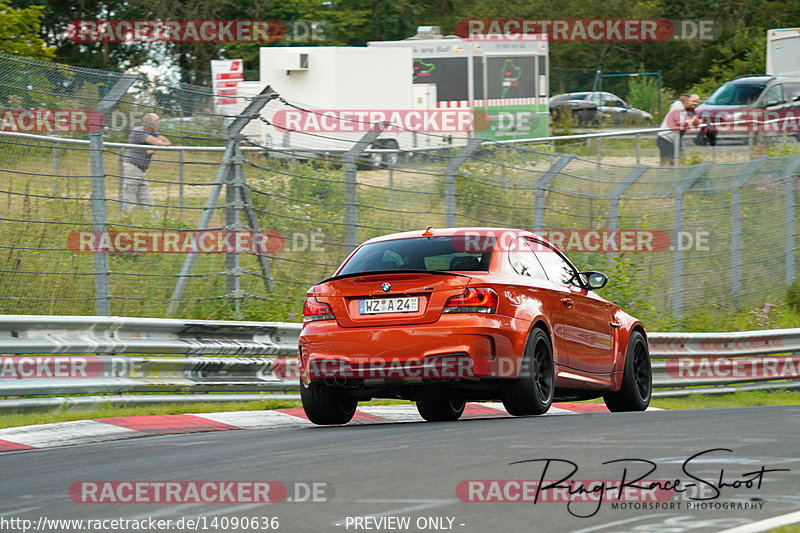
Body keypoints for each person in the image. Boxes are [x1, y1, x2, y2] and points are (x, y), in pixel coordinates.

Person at [121, 113, 171, 214]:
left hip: (141, 171)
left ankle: (153, 224)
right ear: (150, 124)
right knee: (129, 201)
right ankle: (124, 222)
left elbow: (167, 142)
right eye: (157, 121)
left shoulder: (154, 133)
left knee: (147, 201)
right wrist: (156, 144)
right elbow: (158, 143)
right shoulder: (138, 131)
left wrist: (155, 146)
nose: (158, 123)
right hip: (132, 169)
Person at [656, 94, 700, 165]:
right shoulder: (677, 108)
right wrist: (692, 122)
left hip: (674, 139)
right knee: (665, 161)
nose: (693, 103)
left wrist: (694, 121)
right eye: (691, 101)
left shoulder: (684, 110)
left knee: (676, 160)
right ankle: (662, 174)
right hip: (666, 138)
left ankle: (673, 174)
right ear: (686, 102)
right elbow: (680, 122)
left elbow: (691, 119)